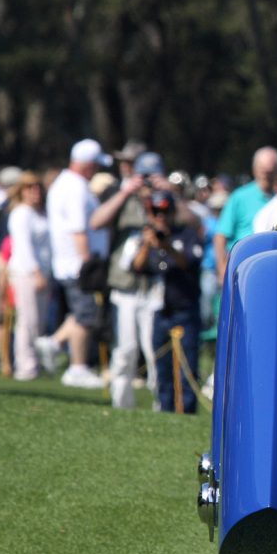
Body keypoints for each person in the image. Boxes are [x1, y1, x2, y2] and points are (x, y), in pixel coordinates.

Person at [96, 151, 169, 409]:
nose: (148, 182)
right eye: (144, 176)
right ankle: (121, 403)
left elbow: (193, 223)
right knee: (125, 349)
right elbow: (96, 221)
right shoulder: (122, 198)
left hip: (155, 286)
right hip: (126, 285)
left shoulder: (167, 199)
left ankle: (162, 403)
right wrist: (127, 191)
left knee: (154, 350)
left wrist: (170, 192)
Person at [40, 138, 112, 389]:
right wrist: (87, 263)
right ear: (88, 164)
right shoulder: (75, 187)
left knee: (81, 313)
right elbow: (79, 228)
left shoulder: (67, 183)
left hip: (70, 262)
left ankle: (53, 343)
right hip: (77, 264)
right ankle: (77, 367)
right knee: (86, 316)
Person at [134, 190, 204, 412]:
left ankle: (187, 412)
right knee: (161, 369)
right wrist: (147, 244)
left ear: (173, 211)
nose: (160, 216)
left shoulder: (187, 235)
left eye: (164, 211)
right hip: (159, 310)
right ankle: (165, 409)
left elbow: (187, 263)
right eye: (155, 211)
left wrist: (166, 246)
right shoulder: (148, 239)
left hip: (184, 309)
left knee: (187, 369)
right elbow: (137, 267)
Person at [5, 172, 53, 381]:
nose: (35, 192)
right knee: (28, 320)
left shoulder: (41, 213)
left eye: (37, 187)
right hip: (27, 272)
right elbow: (23, 246)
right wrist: (36, 272)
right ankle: (25, 364)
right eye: (29, 188)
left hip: (42, 271)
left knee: (38, 321)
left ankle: (33, 361)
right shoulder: (21, 214)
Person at [214, 146, 277, 286]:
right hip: (242, 266)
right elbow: (221, 236)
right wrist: (222, 269)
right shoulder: (239, 197)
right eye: (264, 171)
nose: (267, 176)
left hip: (274, 268)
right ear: (255, 170)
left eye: (271, 171)